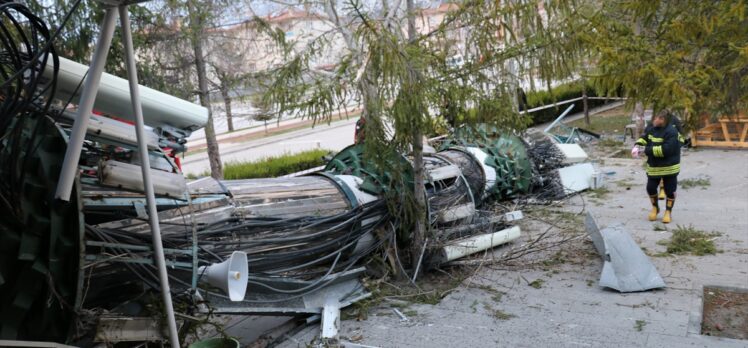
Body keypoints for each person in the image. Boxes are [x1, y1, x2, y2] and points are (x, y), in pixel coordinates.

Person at [632, 110, 681, 223]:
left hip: (669, 166)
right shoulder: (651, 128)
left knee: (670, 190)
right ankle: (655, 208)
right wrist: (637, 146)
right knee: (650, 187)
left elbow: (666, 150)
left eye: (656, 119)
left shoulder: (672, 132)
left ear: (662, 120)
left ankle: (668, 211)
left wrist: (645, 150)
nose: (653, 121)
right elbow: (644, 138)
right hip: (654, 166)